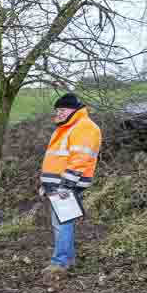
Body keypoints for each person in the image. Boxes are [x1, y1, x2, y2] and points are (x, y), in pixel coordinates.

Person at [38, 92, 102, 281]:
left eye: (62, 110)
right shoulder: (67, 127)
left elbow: (80, 159)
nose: (58, 113)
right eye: (57, 110)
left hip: (67, 184)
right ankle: (67, 259)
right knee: (61, 223)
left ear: (74, 110)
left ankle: (60, 263)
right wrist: (46, 184)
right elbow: (56, 159)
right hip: (57, 184)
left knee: (63, 223)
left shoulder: (84, 127)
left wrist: (66, 185)